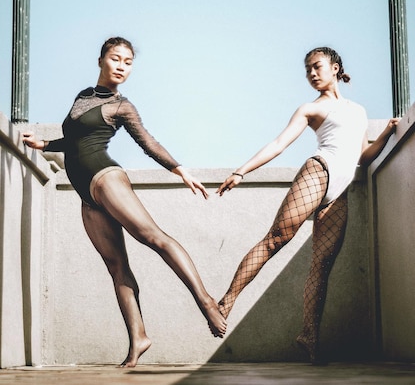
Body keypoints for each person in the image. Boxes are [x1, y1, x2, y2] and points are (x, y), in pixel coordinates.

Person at [23, 36, 226, 368]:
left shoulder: (122, 106)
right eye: (116, 58)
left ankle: (205, 301)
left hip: (106, 178)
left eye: (128, 62)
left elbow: (148, 142)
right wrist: (43, 143)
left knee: (154, 238)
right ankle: (138, 341)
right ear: (102, 59)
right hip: (86, 195)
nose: (121, 66)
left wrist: (179, 170)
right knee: (116, 266)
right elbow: (73, 141)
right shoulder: (83, 97)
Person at [216, 46, 398, 364]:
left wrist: (385, 133)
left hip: (339, 191)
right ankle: (226, 301)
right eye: (307, 70)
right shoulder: (310, 109)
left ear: (335, 67)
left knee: (321, 266)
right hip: (319, 170)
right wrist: (241, 171)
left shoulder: (357, 110)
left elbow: (363, 156)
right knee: (277, 239)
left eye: (316, 67)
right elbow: (279, 143)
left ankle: (309, 335)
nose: (312, 74)